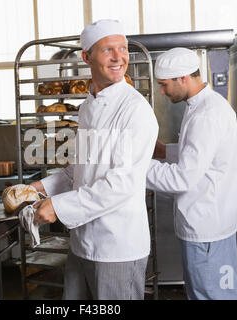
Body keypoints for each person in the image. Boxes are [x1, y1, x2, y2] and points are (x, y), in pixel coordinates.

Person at [30, 19, 158, 300]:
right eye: (108, 50)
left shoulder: (135, 110)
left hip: (117, 245)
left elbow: (121, 183)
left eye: (123, 49)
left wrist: (59, 207)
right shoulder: (88, 106)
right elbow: (81, 168)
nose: (118, 57)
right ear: (86, 56)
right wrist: (39, 189)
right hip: (82, 242)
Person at [146, 47, 237, 300]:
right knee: (208, 294)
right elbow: (203, 156)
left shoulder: (207, 115)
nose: (162, 92)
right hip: (208, 224)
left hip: (207, 229)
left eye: (164, 85)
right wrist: (166, 151)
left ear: (183, 78)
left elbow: (183, 177)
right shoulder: (203, 106)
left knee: (211, 296)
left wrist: (135, 168)